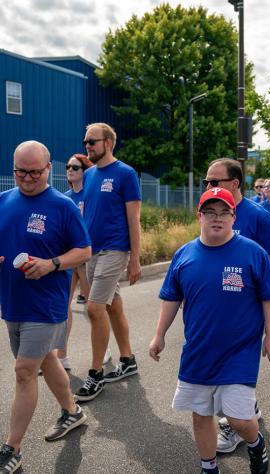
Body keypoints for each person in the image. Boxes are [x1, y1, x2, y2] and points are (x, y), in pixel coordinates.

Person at [149, 187, 270, 474]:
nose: (217, 218)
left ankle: (255, 442)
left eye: (224, 212)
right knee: (201, 414)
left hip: (239, 352)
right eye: (210, 212)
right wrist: (159, 334)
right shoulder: (184, 255)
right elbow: (171, 297)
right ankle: (208, 467)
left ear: (234, 217)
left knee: (238, 418)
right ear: (199, 216)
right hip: (199, 350)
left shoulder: (252, 252)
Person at [0, 141, 91, 473]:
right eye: (20, 172)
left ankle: (12, 449)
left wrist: (52, 263)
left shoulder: (62, 206)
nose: (27, 178)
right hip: (12, 302)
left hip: (47, 305)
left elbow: (83, 251)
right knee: (47, 359)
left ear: (48, 168)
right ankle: (73, 412)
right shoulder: (4, 201)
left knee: (25, 371)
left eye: (35, 172)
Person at [203, 158, 270, 454]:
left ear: (235, 183)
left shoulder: (258, 217)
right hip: (218, 311)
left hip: (248, 309)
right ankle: (248, 409)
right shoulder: (211, 211)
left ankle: (235, 424)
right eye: (206, 183)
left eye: (215, 182)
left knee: (232, 367)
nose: (209, 187)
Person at [75, 123, 142, 402]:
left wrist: (135, 259)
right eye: (85, 141)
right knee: (112, 306)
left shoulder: (125, 174)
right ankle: (127, 359)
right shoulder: (89, 175)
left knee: (93, 307)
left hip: (115, 249)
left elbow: (133, 219)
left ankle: (96, 374)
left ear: (109, 143)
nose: (87, 146)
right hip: (93, 251)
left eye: (92, 141)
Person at [55, 154, 94, 372]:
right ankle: (61, 356)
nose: (70, 170)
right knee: (64, 304)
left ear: (85, 171)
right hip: (70, 257)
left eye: (75, 167)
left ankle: (103, 346)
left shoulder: (92, 195)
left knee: (93, 307)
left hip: (88, 256)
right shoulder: (65, 198)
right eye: (68, 166)